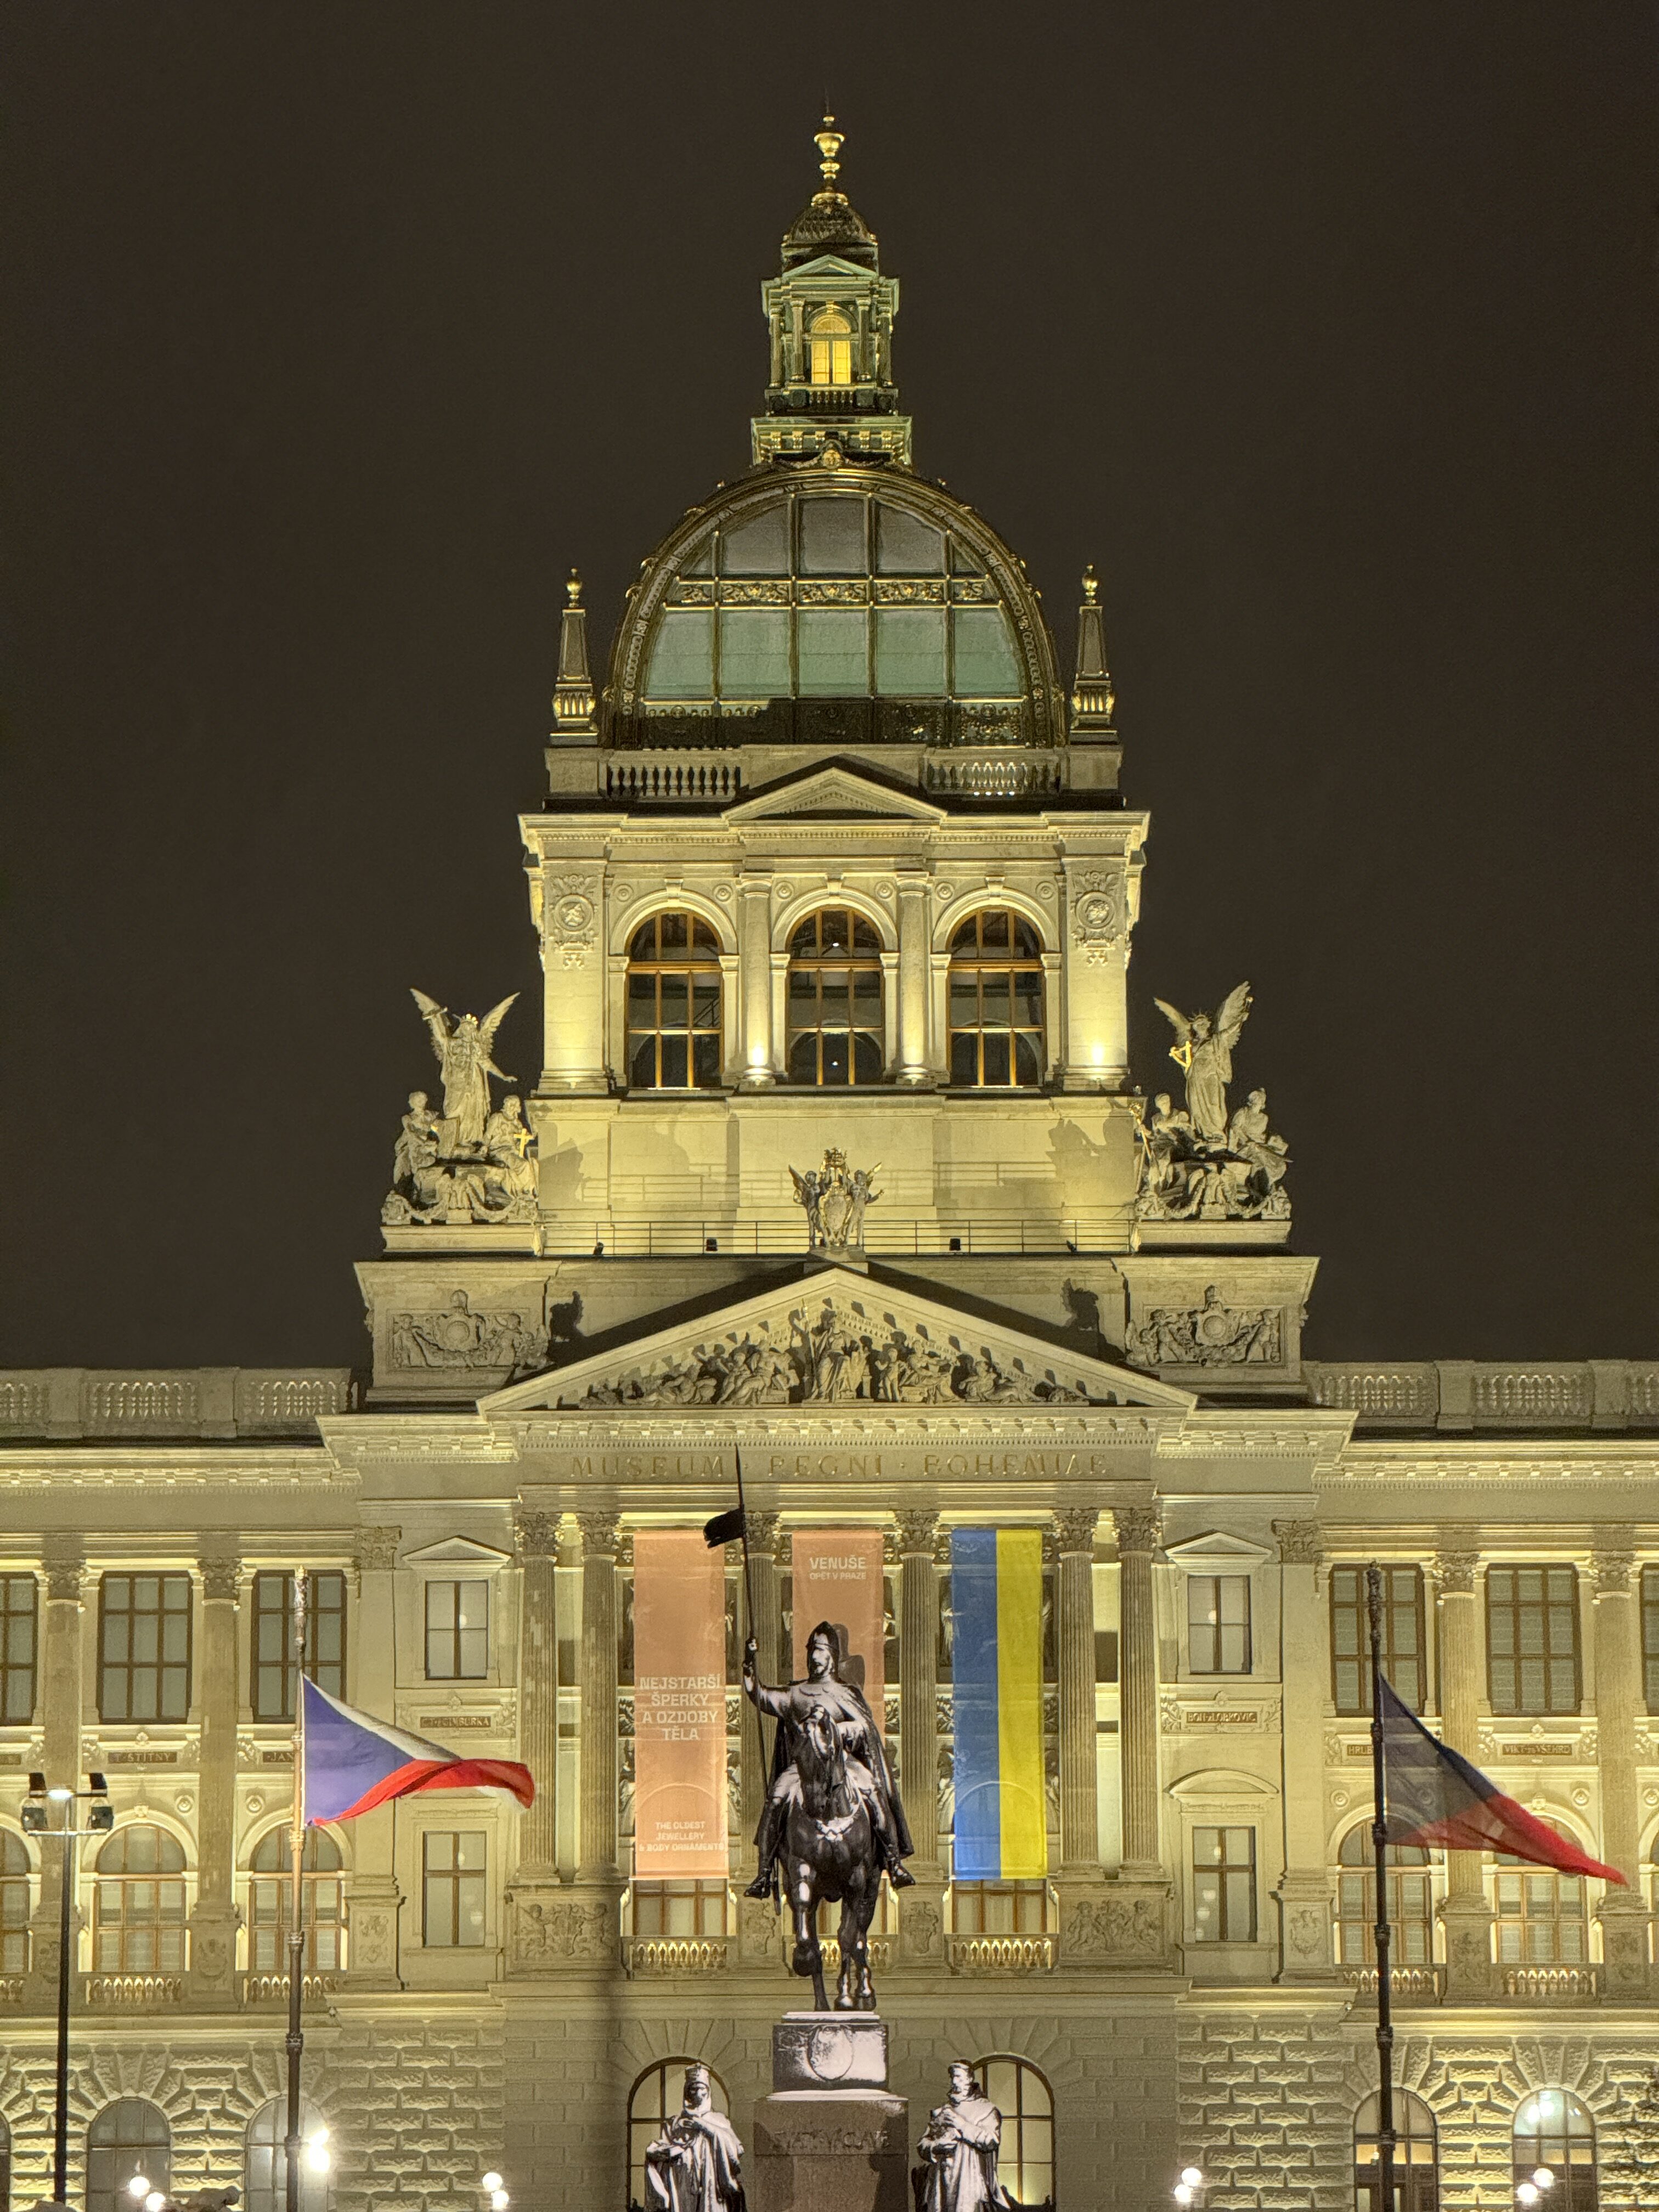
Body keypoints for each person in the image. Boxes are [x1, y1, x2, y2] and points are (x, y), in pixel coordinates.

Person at [742, 1620, 914, 1898]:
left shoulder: (847, 1693)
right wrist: (750, 1663)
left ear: (832, 1656)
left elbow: (864, 1728)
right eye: (811, 1650)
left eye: (820, 1650)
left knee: (874, 1792)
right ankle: (763, 1873)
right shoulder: (794, 1693)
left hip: (843, 1763)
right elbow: (760, 1695)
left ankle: (894, 1862)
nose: (814, 1656)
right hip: (803, 1767)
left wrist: (836, 1730)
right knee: (775, 1799)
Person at [643, 2065, 746, 2212]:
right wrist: (671, 2152)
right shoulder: (674, 2123)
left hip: (711, 2183)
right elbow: (659, 2152)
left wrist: (704, 2126)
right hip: (682, 2184)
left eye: (701, 2088)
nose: (697, 2093)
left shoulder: (719, 2120)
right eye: (693, 2089)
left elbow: (735, 2150)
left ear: (707, 2091)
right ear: (686, 2092)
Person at [915, 2064, 1015, 2212]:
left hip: (969, 2183)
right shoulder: (943, 2111)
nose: (954, 2082)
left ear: (969, 2079)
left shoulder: (986, 2110)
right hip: (941, 2185)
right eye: (952, 2077)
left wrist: (962, 2125)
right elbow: (923, 2144)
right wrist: (936, 2146)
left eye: (959, 2077)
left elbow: (991, 2140)